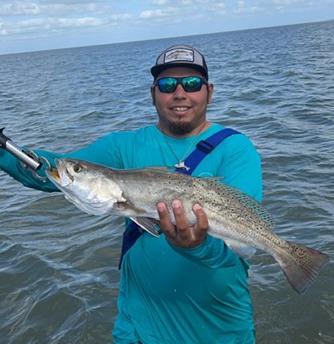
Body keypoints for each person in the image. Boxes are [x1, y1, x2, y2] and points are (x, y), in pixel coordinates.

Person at [0, 45, 262, 344]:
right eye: (166, 85)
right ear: (153, 94)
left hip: (218, 330)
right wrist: (5, 151)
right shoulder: (122, 146)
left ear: (209, 92)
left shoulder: (236, 149)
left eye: (191, 84)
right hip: (137, 330)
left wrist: (197, 246)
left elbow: (237, 249)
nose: (179, 93)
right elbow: (49, 173)